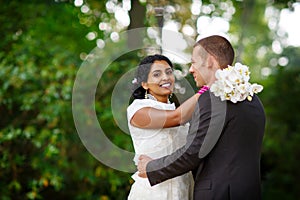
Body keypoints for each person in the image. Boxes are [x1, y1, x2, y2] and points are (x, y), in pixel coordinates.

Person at [138, 35, 266, 199]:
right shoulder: (253, 99)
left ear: (210, 61)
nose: (191, 69)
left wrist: (151, 167)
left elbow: (194, 152)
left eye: (193, 62)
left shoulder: (212, 98)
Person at [127, 54, 209, 200]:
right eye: (157, 74)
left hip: (183, 189)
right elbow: (177, 118)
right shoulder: (137, 109)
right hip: (153, 192)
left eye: (169, 72)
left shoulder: (176, 109)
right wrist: (208, 88)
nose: (166, 78)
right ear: (144, 84)